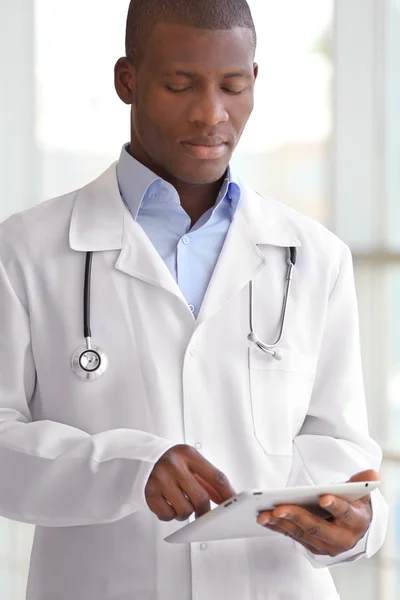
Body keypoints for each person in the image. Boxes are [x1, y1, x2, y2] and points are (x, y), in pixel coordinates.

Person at [0, 1, 388, 599]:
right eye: (179, 85)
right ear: (127, 80)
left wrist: (359, 525)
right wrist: (127, 469)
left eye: (233, 86)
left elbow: (339, 447)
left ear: (254, 81)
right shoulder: (24, 251)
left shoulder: (313, 256)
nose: (211, 113)